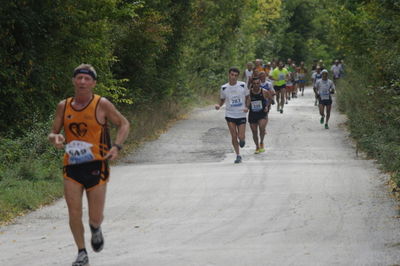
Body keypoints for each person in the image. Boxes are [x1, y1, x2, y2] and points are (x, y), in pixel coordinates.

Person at [48, 64, 130, 266]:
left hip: (97, 165)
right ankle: (81, 252)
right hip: (72, 167)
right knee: (74, 212)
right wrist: (56, 138)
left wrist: (117, 146)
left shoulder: (101, 104)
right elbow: (53, 132)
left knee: (95, 216)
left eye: (87, 79)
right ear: (74, 81)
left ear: (93, 83)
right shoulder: (63, 106)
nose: (82, 82)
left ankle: (95, 228)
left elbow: (124, 124)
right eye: (79, 78)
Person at [215, 67, 250, 163]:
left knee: (241, 136)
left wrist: (247, 107)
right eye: (232, 75)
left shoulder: (243, 85)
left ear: (238, 76)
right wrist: (219, 105)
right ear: (229, 75)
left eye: (235, 75)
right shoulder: (224, 87)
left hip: (241, 114)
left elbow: (248, 97)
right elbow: (222, 100)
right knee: (234, 136)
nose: (233, 77)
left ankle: (242, 140)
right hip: (230, 114)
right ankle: (238, 155)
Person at [248, 77, 272, 154]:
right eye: (254, 83)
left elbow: (270, 99)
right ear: (252, 84)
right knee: (254, 131)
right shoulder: (249, 93)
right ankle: (257, 146)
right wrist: (247, 106)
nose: (256, 85)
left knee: (262, 128)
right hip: (252, 114)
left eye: (257, 83)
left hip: (262, 113)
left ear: (260, 84)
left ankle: (261, 142)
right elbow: (246, 102)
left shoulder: (264, 91)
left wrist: (267, 106)